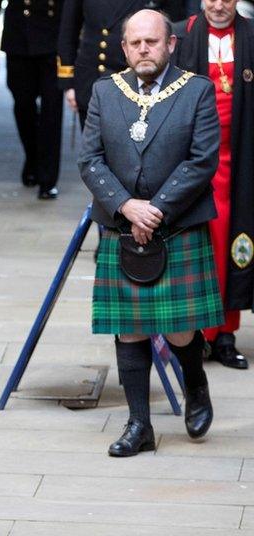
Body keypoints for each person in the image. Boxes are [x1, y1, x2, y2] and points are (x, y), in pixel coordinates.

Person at [80, 9, 222, 457]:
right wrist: (126, 204)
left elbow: (202, 160)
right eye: (135, 43)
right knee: (129, 329)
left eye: (152, 42)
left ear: (170, 44)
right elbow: (90, 159)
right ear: (124, 48)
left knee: (179, 330)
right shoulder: (105, 91)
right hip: (122, 226)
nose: (144, 49)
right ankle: (138, 424)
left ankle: (195, 383)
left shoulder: (197, 90)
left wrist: (156, 210)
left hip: (176, 226)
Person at [173, 0, 254, 369]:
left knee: (232, 244)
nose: (219, 5)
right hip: (194, 160)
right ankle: (193, 337)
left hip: (239, 160)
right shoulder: (179, 35)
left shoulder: (251, 37)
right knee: (198, 245)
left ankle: (225, 335)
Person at [59, 0, 190, 126]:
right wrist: (68, 82)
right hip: (92, 79)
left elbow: (175, 30)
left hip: (142, 82)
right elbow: (68, 30)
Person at [0, 0, 64, 199]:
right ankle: (33, 157)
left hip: (55, 40)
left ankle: (48, 179)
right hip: (19, 37)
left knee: (51, 112)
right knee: (23, 106)